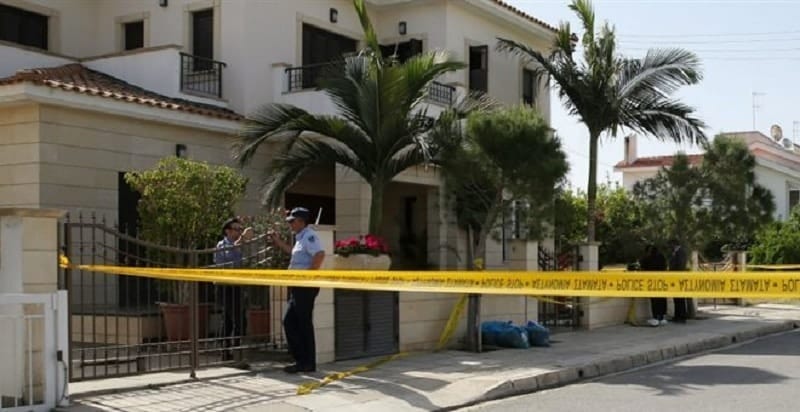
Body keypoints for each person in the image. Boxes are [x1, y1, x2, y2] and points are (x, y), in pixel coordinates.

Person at [269, 207, 325, 373]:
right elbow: (294, 253)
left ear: (301, 221)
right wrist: (278, 242)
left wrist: (308, 276)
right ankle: (302, 361)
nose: (290, 224)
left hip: (305, 286)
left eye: (292, 221)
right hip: (298, 286)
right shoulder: (300, 238)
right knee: (291, 322)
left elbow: (320, 254)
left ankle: (307, 362)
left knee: (302, 323)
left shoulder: (309, 236)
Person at [213, 217, 252, 361]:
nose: (239, 232)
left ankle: (230, 350)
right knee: (236, 318)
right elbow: (227, 261)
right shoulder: (222, 245)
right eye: (236, 229)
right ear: (227, 231)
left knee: (233, 318)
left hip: (236, 285)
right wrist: (241, 240)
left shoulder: (238, 244)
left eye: (240, 230)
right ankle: (231, 350)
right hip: (225, 286)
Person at [641, 244, 668, 327]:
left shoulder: (648, 259)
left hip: (652, 282)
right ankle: (662, 317)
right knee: (662, 299)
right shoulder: (662, 257)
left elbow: (643, 268)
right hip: (662, 281)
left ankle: (655, 317)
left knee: (654, 300)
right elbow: (665, 267)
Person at [669, 238, 689, 323]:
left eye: (671, 245)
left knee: (680, 298)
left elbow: (680, 265)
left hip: (678, 278)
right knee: (676, 298)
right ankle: (677, 315)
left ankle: (682, 316)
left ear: (674, 244)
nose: (670, 247)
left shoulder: (680, 252)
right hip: (675, 278)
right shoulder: (676, 252)